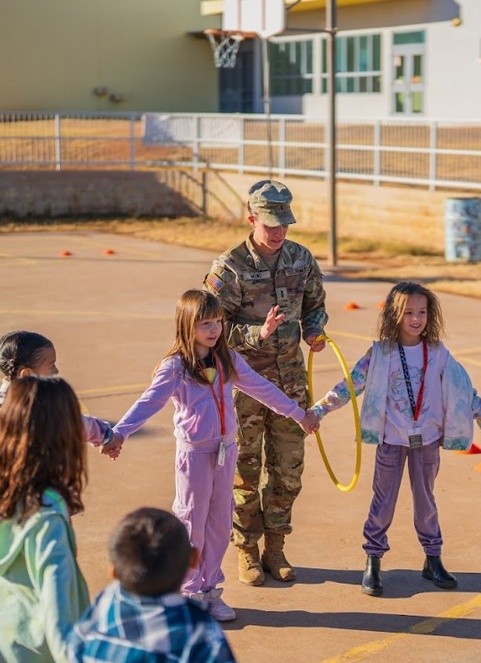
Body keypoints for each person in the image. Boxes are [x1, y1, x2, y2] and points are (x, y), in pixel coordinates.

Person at [106, 289, 318, 622]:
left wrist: (297, 413)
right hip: (193, 455)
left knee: (220, 523)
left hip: (226, 451)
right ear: (187, 325)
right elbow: (149, 402)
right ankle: (188, 592)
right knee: (192, 524)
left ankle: (209, 591)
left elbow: (262, 388)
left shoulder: (227, 359)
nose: (214, 329)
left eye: (217, 321)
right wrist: (120, 432)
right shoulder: (174, 367)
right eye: (205, 323)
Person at [308, 281, 481, 596]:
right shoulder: (380, 353)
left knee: (426, 501)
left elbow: (465, 391)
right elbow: (349, 387)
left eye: (422, 312)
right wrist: (318, 411)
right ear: (394, 315)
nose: (416, 318)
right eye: (408, 312)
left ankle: (433, 558)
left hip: (426, 441)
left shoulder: (437, 353)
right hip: (391, 441)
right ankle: (373, 559)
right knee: (383, 501)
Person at [202, 179, 328, 586]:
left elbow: (316, 305)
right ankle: (246, 550)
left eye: (284, 225)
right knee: (244, 472)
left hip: (290, 384)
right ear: (251, 218)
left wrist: (314, 330)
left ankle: (276, 547)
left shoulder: (301, 258)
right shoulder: (229, 267)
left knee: (288, 469)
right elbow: (210, 331)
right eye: (270, 224)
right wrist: (259, 334)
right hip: (244, 387)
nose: (277, 233)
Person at [0, 376, 92, 662]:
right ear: (64, 438)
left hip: (2, 640)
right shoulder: (47, 519)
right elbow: (58, 612)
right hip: (42, 652)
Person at [67, 507, 236, 662]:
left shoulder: (101, 608)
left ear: (113, 573)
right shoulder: (202, 634)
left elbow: (74, 648)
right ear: (194, 559)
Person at [0, 330, 119, 451]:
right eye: (51, 366)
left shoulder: (0, 409)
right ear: (27, 374)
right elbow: (73, 423)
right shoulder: (38, 409)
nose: (56, 371)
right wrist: (105, 435)